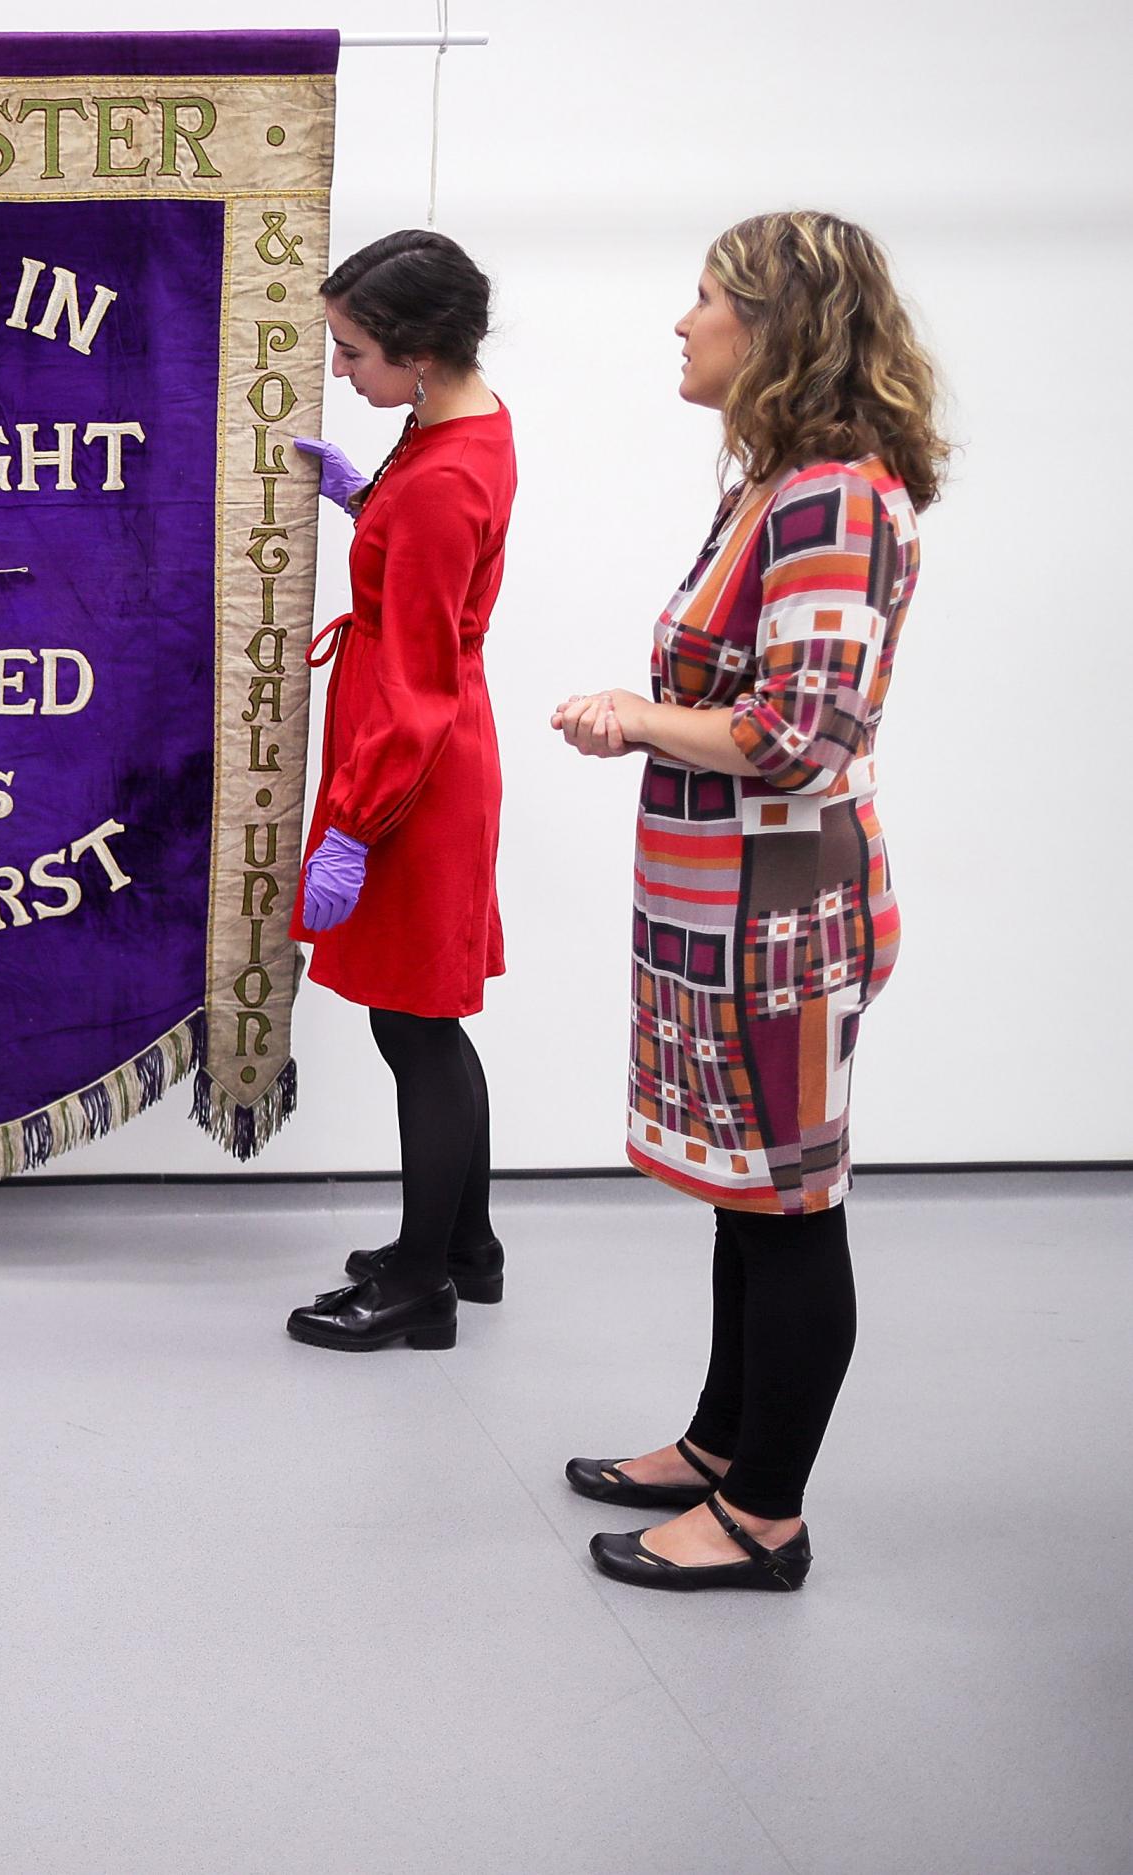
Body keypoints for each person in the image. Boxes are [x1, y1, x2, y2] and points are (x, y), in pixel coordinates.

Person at [552, 210, 943, 1591]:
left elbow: (801, 734)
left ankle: (766, 1513)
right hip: (723, 912)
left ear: (777, 328)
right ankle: (724, 1440)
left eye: (705, 296)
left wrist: (635, 715)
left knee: (790, 1207)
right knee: (746, 1199)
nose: (682, 319)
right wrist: (658, 718)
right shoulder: (778, 484)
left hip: (777, 920)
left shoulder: (835, 497)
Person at [279, 231, 515, 1355]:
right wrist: (368, 500)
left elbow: (416, 686)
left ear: (419, 351)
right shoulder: (458, 427)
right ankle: (463, 1242)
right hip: (426, 752)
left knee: (415, 1024)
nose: (342, 372)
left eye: (354, 351)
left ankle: (422, 1283)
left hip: (410, 769)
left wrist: (355, 830)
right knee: (424, 1017)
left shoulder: (442, 475)